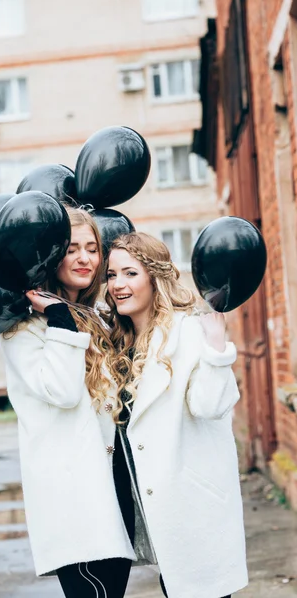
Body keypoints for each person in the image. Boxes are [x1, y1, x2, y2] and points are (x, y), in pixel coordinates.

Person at [0, 207, 137, 598]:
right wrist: (59, 317)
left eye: (92, 249)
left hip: (113, 486)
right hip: (74, 496)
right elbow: (61, 391)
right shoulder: (24, 329)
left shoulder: (98, 318)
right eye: (72, 248)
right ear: (49, 255)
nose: (85, 259)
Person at [104, 232, 248, 598]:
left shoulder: (188, 332)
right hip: (156, 509)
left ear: (155, 278)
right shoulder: (120, 345)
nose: (118, 284)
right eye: (111, 275)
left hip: (192, 505)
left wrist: (217, 349)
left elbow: (211, 405)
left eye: (130, 273)